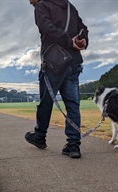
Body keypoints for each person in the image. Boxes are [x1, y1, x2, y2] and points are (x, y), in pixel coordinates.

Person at [25, 0, 88, 158]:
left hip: (54, 62)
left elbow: (47, 28)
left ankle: (40, 137)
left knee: (46, 102)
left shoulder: (42, 6)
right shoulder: (70, 7)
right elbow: (83, 28)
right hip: (73, 62)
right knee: (73, 105)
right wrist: (82, 40)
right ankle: (73, 145)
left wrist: (69, 41)